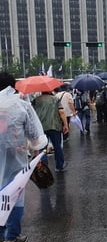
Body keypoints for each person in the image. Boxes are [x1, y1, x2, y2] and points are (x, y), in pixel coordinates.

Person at [0, 72, 48, 242]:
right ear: (13, 86)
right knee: (14, 195)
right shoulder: (21, 106)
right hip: (16, 159)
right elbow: (35, 136)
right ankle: (12, 236)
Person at [32, 90, 69, 172]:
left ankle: (44, 167)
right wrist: (65, 124)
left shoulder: (35, 100)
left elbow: (32, 114)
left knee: (42, 148)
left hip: (41, 127)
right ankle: (60, 166)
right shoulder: (55, 99)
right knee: (57, 146)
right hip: (55, 126)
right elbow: (61, 112)